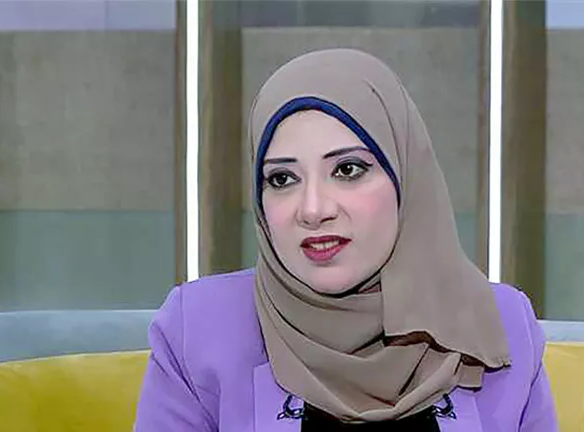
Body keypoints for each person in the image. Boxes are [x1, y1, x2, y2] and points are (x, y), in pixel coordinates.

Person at [133, 49, 558, 431]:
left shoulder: (503, 325)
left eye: (348, 170)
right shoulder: (197, 330)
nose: (313, 209)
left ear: (405, 178)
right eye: (282, 179)